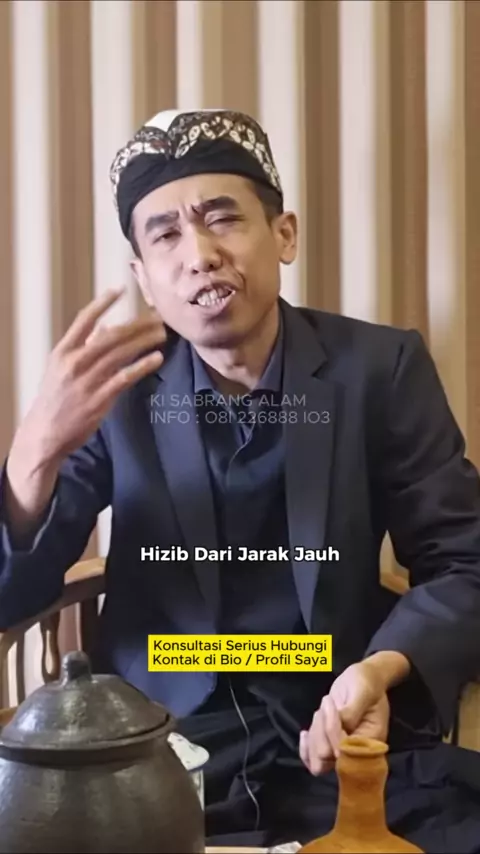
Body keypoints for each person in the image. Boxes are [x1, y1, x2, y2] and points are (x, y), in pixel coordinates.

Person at [2, 108, 480, 852]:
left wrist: (381, 671)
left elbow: (463, 560)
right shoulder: (116, 389)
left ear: (284, 235)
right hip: (154, 746)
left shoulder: (379, 370)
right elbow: (11, 594)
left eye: (222, 218)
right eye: (165, 235)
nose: (200, 255)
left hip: (338, 723)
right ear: (143, 276)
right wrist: (31, 457)